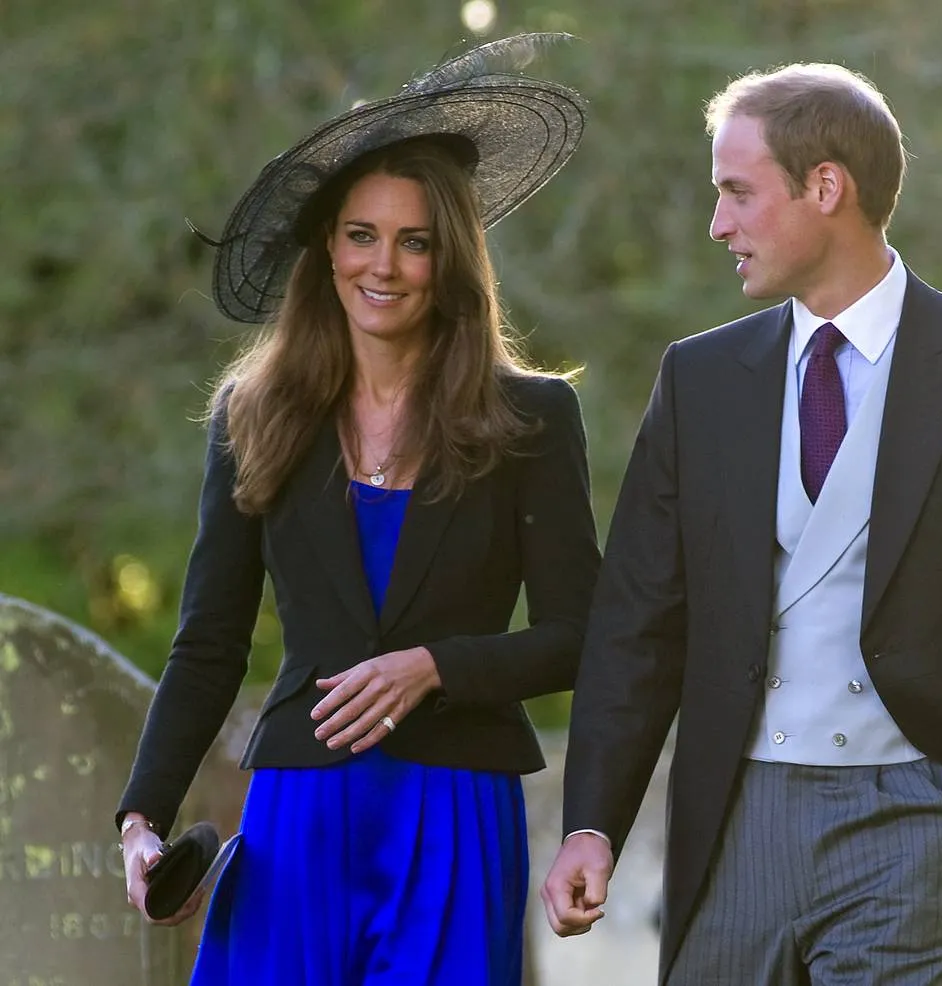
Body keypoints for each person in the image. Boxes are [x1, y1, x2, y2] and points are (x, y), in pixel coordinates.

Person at [541, 61, 942, 986]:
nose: (719, 223)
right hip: (735, 811)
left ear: (827, 186)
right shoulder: (700, 379)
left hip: (916, 818)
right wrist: (593, 821)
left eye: (737, 193)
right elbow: (636, 622)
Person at [116, 34, 599, 985]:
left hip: (457, 807)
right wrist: (142, 819)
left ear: (449, 258)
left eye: (415, 240)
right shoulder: (253, 417)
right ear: (326, 248)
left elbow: (585, 633)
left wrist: (437, 668)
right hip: (298, 813)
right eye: (361, 235)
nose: (386, 265)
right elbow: (209, 642)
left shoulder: (532, 418)